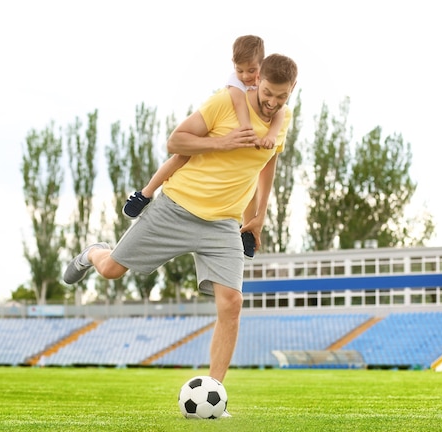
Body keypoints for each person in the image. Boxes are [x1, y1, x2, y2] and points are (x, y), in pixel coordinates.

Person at [63, 52, 298, 415]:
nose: (272, 102)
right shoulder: (223, 103)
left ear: (292, 90)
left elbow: (268, 163)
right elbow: (176, 141)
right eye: (268, 93)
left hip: (223, 223)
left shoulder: (282, 119)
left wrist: (259, 216)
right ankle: (93, 252)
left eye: (281, 97)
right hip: (176, 207)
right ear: (257, 82)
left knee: (231, 304)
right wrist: (223, 142)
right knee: (110, 270)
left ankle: (214, 395)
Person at [121, 35, 285, 259]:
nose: (246, 76)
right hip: (211, 134)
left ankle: (247, 229)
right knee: (180, 158)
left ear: (262, 67)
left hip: (228, 203)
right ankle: (145, 193)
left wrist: (271, 136)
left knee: (248, 173)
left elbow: (281, 114)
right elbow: (239, 106)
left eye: (252, 70)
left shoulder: (268, 92)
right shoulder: (235, 87)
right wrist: (248, 134)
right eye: (240, 70)